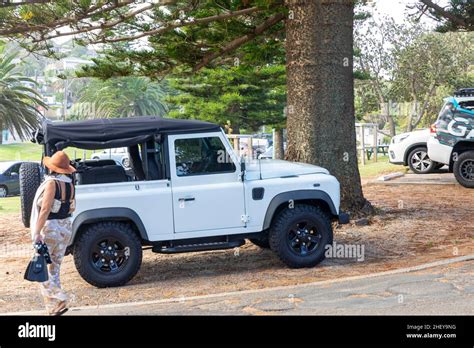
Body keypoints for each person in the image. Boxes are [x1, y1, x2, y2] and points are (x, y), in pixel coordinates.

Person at [30, 151, 76, 316]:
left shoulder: (51, 184)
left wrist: (36, 231)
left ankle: (60, 297)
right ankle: (54, 308)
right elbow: (71, 208)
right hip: (65, 228)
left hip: (51, 228)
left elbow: (45, 209)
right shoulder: (70, 185)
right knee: (54, 269)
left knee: (39, 269)